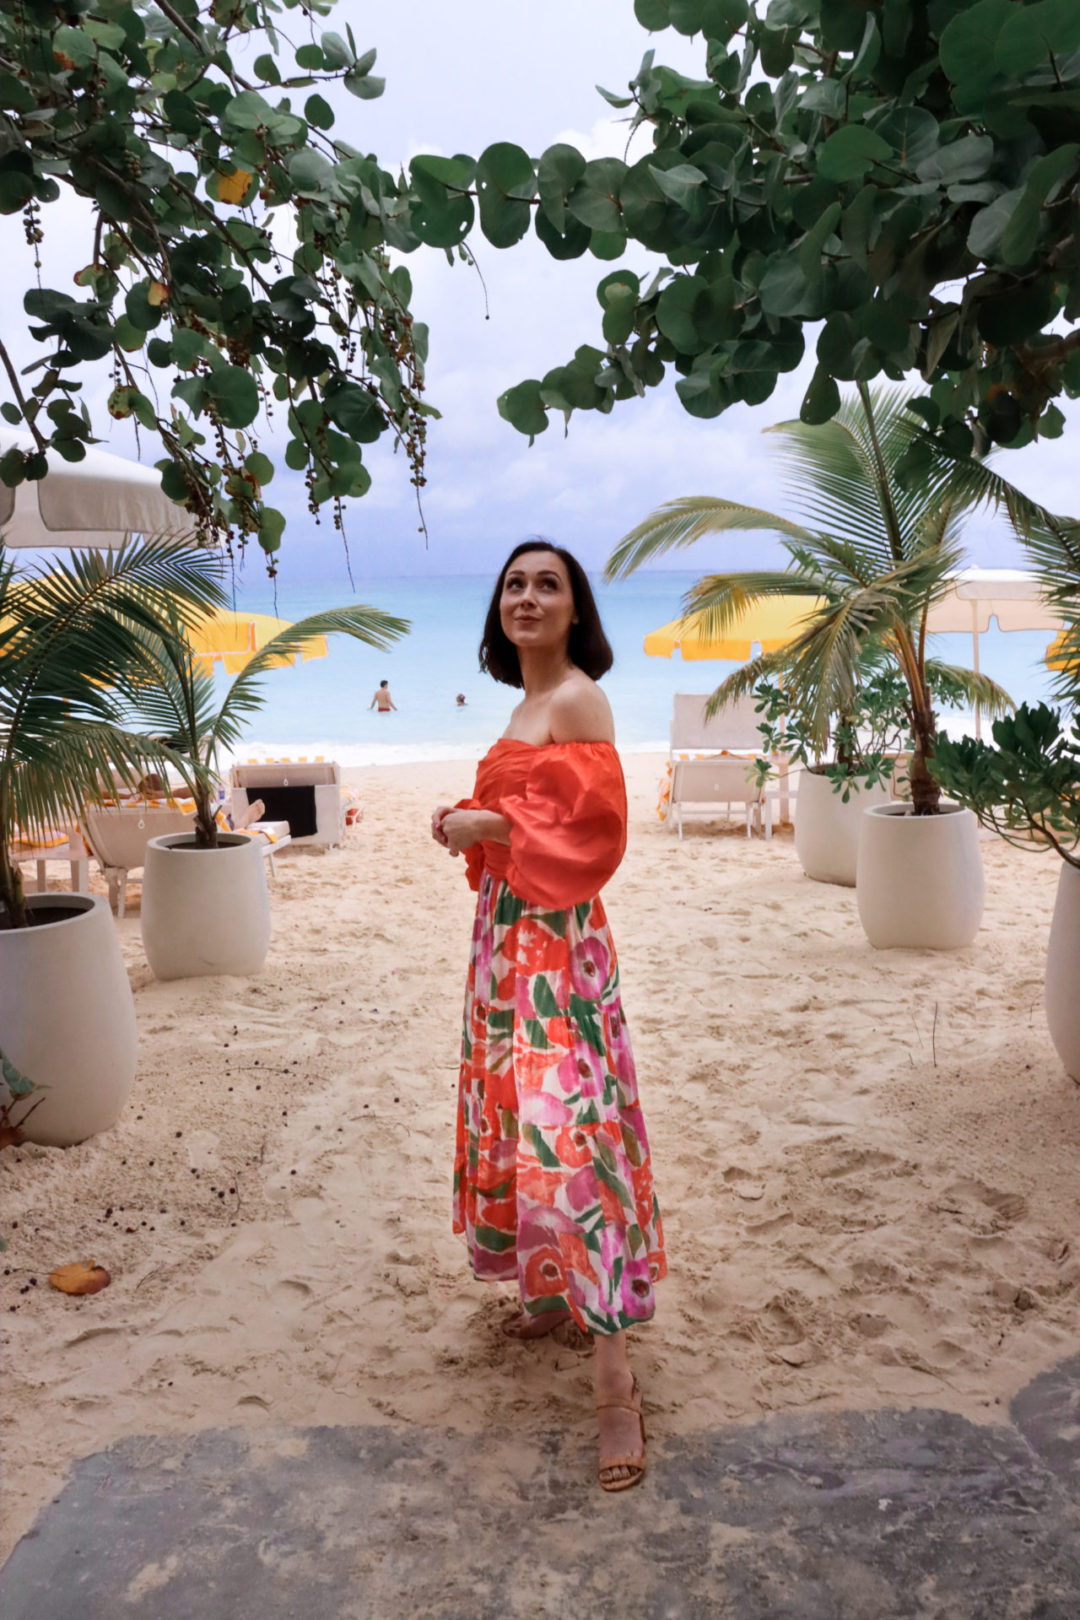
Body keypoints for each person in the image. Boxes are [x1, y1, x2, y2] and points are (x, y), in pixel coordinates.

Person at [431, 539, 665, 1493]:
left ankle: (615, 1380)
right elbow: (520, 820)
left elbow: (598, 832)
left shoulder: (574, 697)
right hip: (504, 944)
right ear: (499, 609)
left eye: (548, 585)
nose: (528, 597)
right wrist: (462, 822)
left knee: (579, 1137)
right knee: (524, 1123)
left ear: (576, 612)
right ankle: (553, 1288)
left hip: (558, 954)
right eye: (515, 584)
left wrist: (490, 826)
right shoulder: (524, 706)